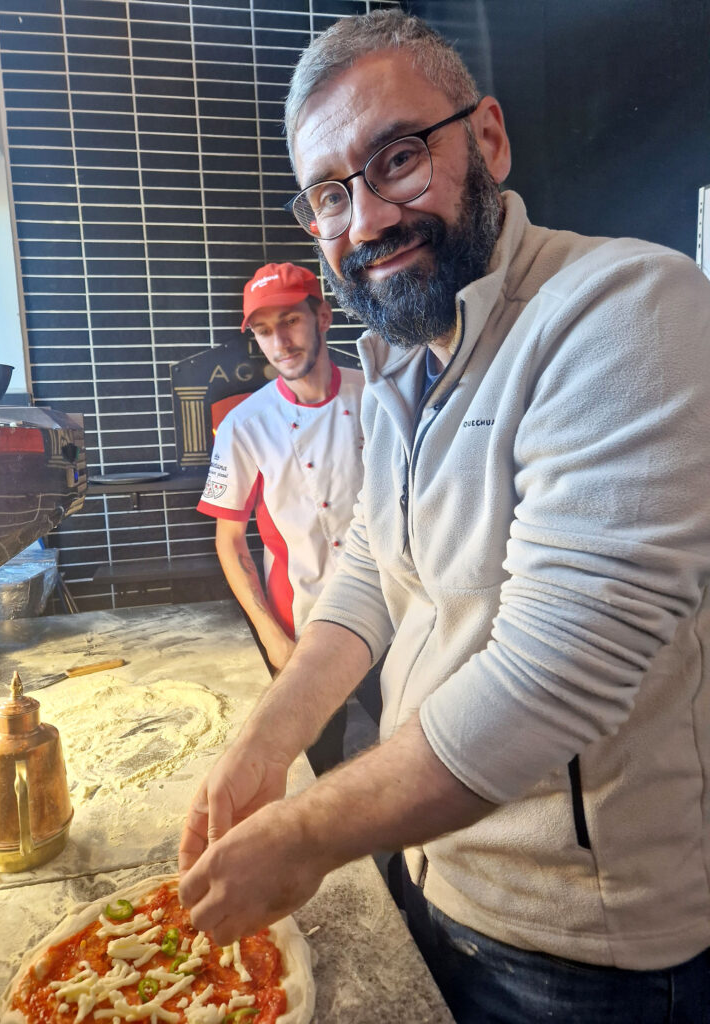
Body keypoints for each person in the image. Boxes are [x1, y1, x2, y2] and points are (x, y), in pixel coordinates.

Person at [180, 11, 710, 1023]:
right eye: (330, 194)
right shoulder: (401, 363)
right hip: (429, 871)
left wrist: (306, 831)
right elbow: (371, 568)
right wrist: (266, 741)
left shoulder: (627, 310)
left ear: (489, 140)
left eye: (398, 158)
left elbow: (555, 674)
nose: (368, 219)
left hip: (584, 950)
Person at [197, 262, 369, 773]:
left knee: (406, 733)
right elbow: (229, 540)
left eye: (291, 321)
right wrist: (272, 637)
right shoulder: (243, 425)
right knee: (320, 759)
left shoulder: (376, 397)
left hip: (391, 607)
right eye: (264, 330)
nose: (280, 342)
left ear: (323, 317)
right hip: (303, 619)